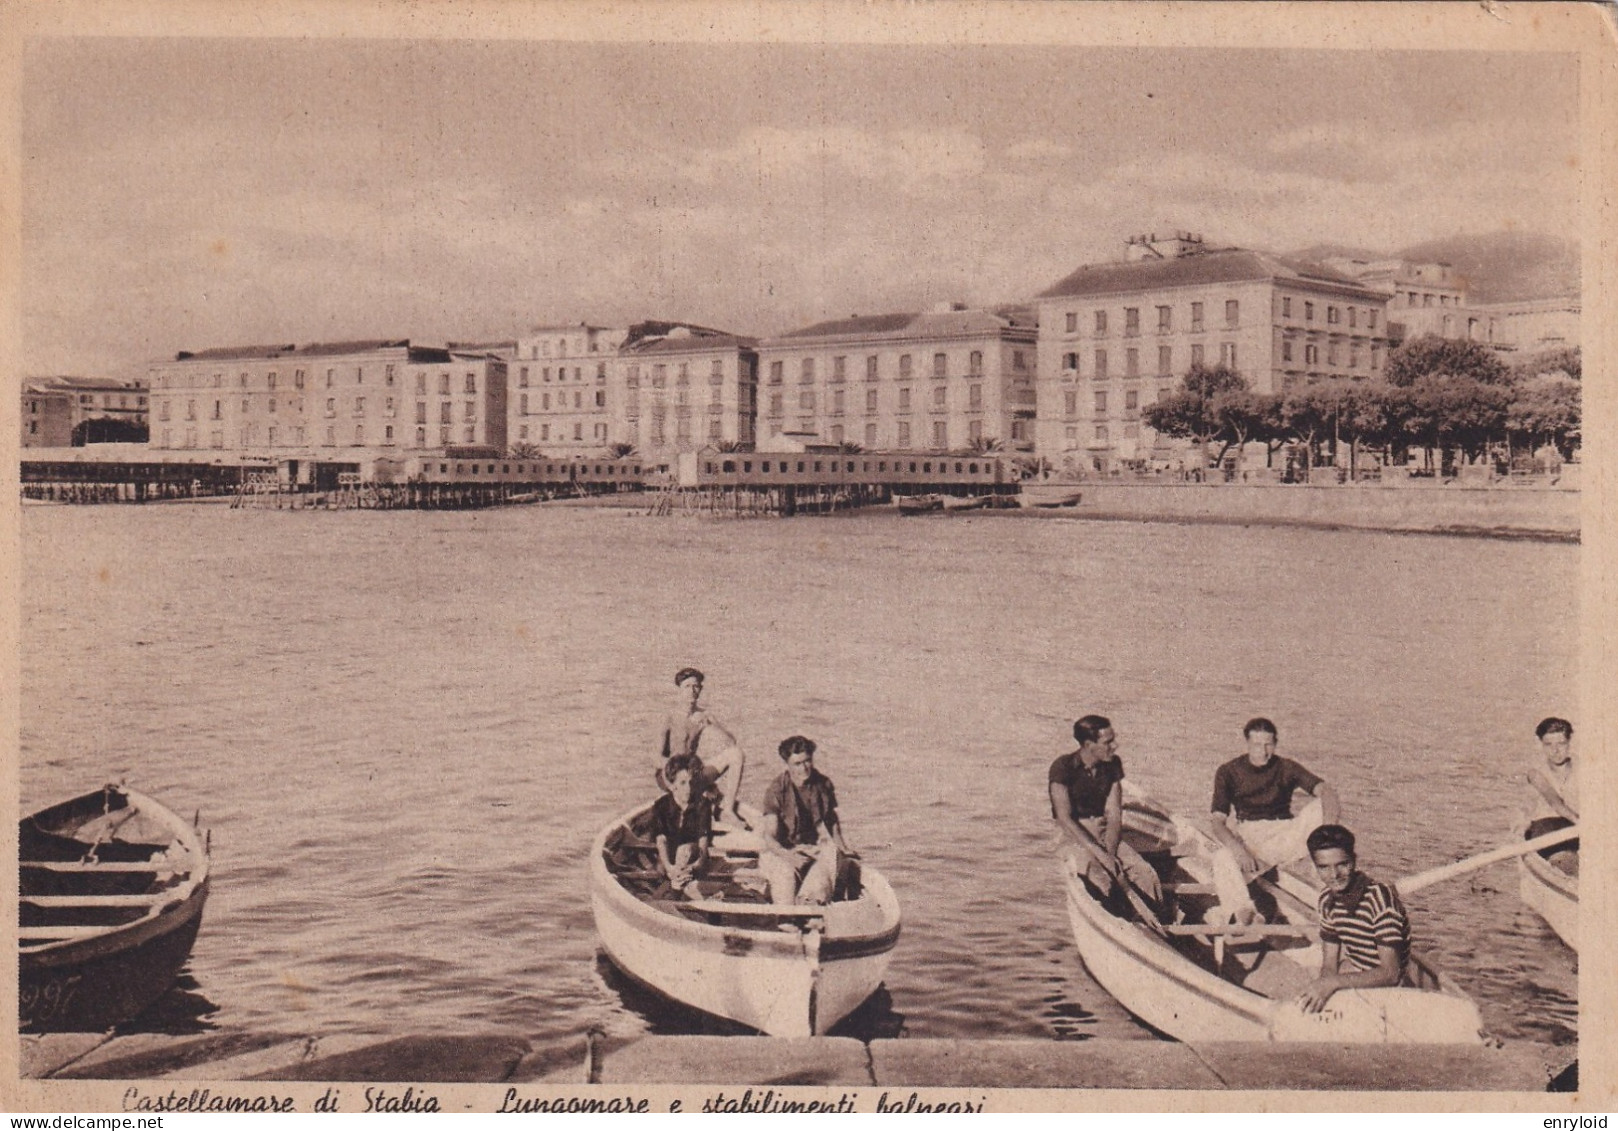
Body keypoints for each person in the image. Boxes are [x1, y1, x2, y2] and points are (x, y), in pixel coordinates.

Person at [1206, 718, 1339, 923]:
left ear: (1275, 743)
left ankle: (1326, 868)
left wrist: (1328, 833)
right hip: (1252, 837)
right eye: (1257, 745)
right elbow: (1217, 822)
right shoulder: (1228, 771)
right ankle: (1244, 910)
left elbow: (1326, 791)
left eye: (1269, 744)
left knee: (1322, 805)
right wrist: (1239, 851)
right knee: (1222, 857)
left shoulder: (1287, 767)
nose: (1263, 751)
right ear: (1247, 743)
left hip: (1286, 834)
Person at [1048, 715, 1162, 910]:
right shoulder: (1062, 767)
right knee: (1100, 880)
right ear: (1088, 744)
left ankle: (1155, 922)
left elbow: (1115, 813)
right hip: (1073, 835)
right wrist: (1101, 856)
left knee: (1145, 874)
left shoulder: (1113, 765)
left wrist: (1110, 852)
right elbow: (1064, 818)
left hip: (1103, 830)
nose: (1115, 746)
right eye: (1107, 742)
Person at [1297, 824, 1411, 1014]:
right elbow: (1329, 965)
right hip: (1355, 973)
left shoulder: (1379, 898)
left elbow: (1391, 974)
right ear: (1315, 867)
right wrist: (1324, 986)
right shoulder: (1327, 900)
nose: (1334, 875)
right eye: (1324, 867)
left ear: (1354, 861)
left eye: (1342, 864)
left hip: (1390, 990)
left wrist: (1332, 983)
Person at [758, 735, 857, 906]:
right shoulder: (776, 790)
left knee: (832, 854)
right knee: (785, 874)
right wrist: (789, 857)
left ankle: (810, 902)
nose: (804, 768)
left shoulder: (822, 783)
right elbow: (769, 838)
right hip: (780, 851)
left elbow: (831, 820)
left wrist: (843, 848)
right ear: (787, 764)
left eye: (807, 761)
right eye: (797, 764)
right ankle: (787, 918)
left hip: (809, 848)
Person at [655, 667, 747, 826]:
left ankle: (728, 810)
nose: (692, 691)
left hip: (692, 773)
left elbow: (731, 743)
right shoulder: (668, 717)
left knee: (736, 754)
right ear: (679, 690)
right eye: (687, 687)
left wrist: (713, 727)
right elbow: (656, 759)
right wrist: (676, 771)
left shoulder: (704, 715)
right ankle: (703, 794)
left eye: (695, 686)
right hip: (669, 775)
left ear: (700, 689)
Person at [648, 754, 712, 897]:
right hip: (668, 862)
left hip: (694, 859)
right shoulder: (661, 806)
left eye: (691, 782)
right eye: (682, 783)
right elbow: (661, 841)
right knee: (664, 869)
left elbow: (703, 844)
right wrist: (670, 868)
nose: (688, 788)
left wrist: (693, 868)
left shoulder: (703, 805)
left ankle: (678, 891)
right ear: (672, 786)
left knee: (686, 849)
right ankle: (677, 890)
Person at [1526, 716, 1578, 876]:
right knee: (1566, 860)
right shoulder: (1536, 773)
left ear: (1569, 742)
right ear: (1541, 744)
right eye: (1548, 744)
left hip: (1575, 829)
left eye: (1561, 743)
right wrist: (1584, 824)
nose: (1555, 751)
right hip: (1546, 829)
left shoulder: (1584, 768)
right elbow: (1556, 804)